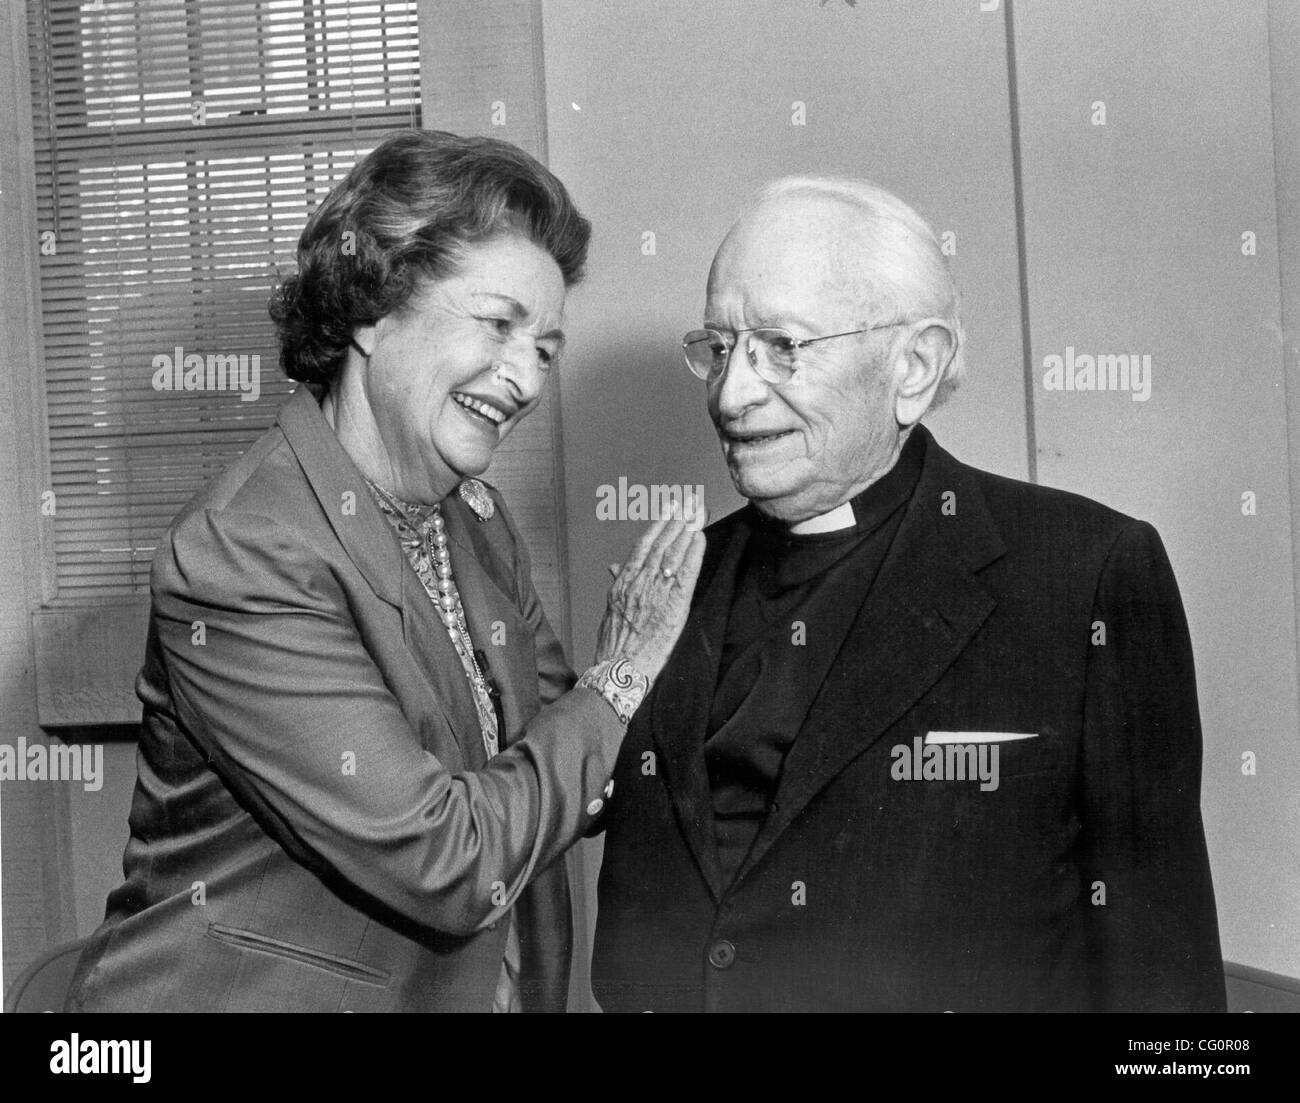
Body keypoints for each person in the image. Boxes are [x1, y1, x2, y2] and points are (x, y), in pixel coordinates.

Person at [65, 129, 704, 1013]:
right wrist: (624, 672)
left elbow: (574, 752)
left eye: (546, 350)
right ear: (371, 307)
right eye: (498, 325)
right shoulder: (242, 550)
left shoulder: (475, 519)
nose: (523, 379)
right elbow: (449, 859)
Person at [590, 175, 1226, 1012]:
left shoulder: (1084, 575)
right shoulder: (671, 584)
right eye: (718, 346)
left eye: (782, 345)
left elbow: (1164, 978)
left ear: (914, 367)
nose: (731, 393)